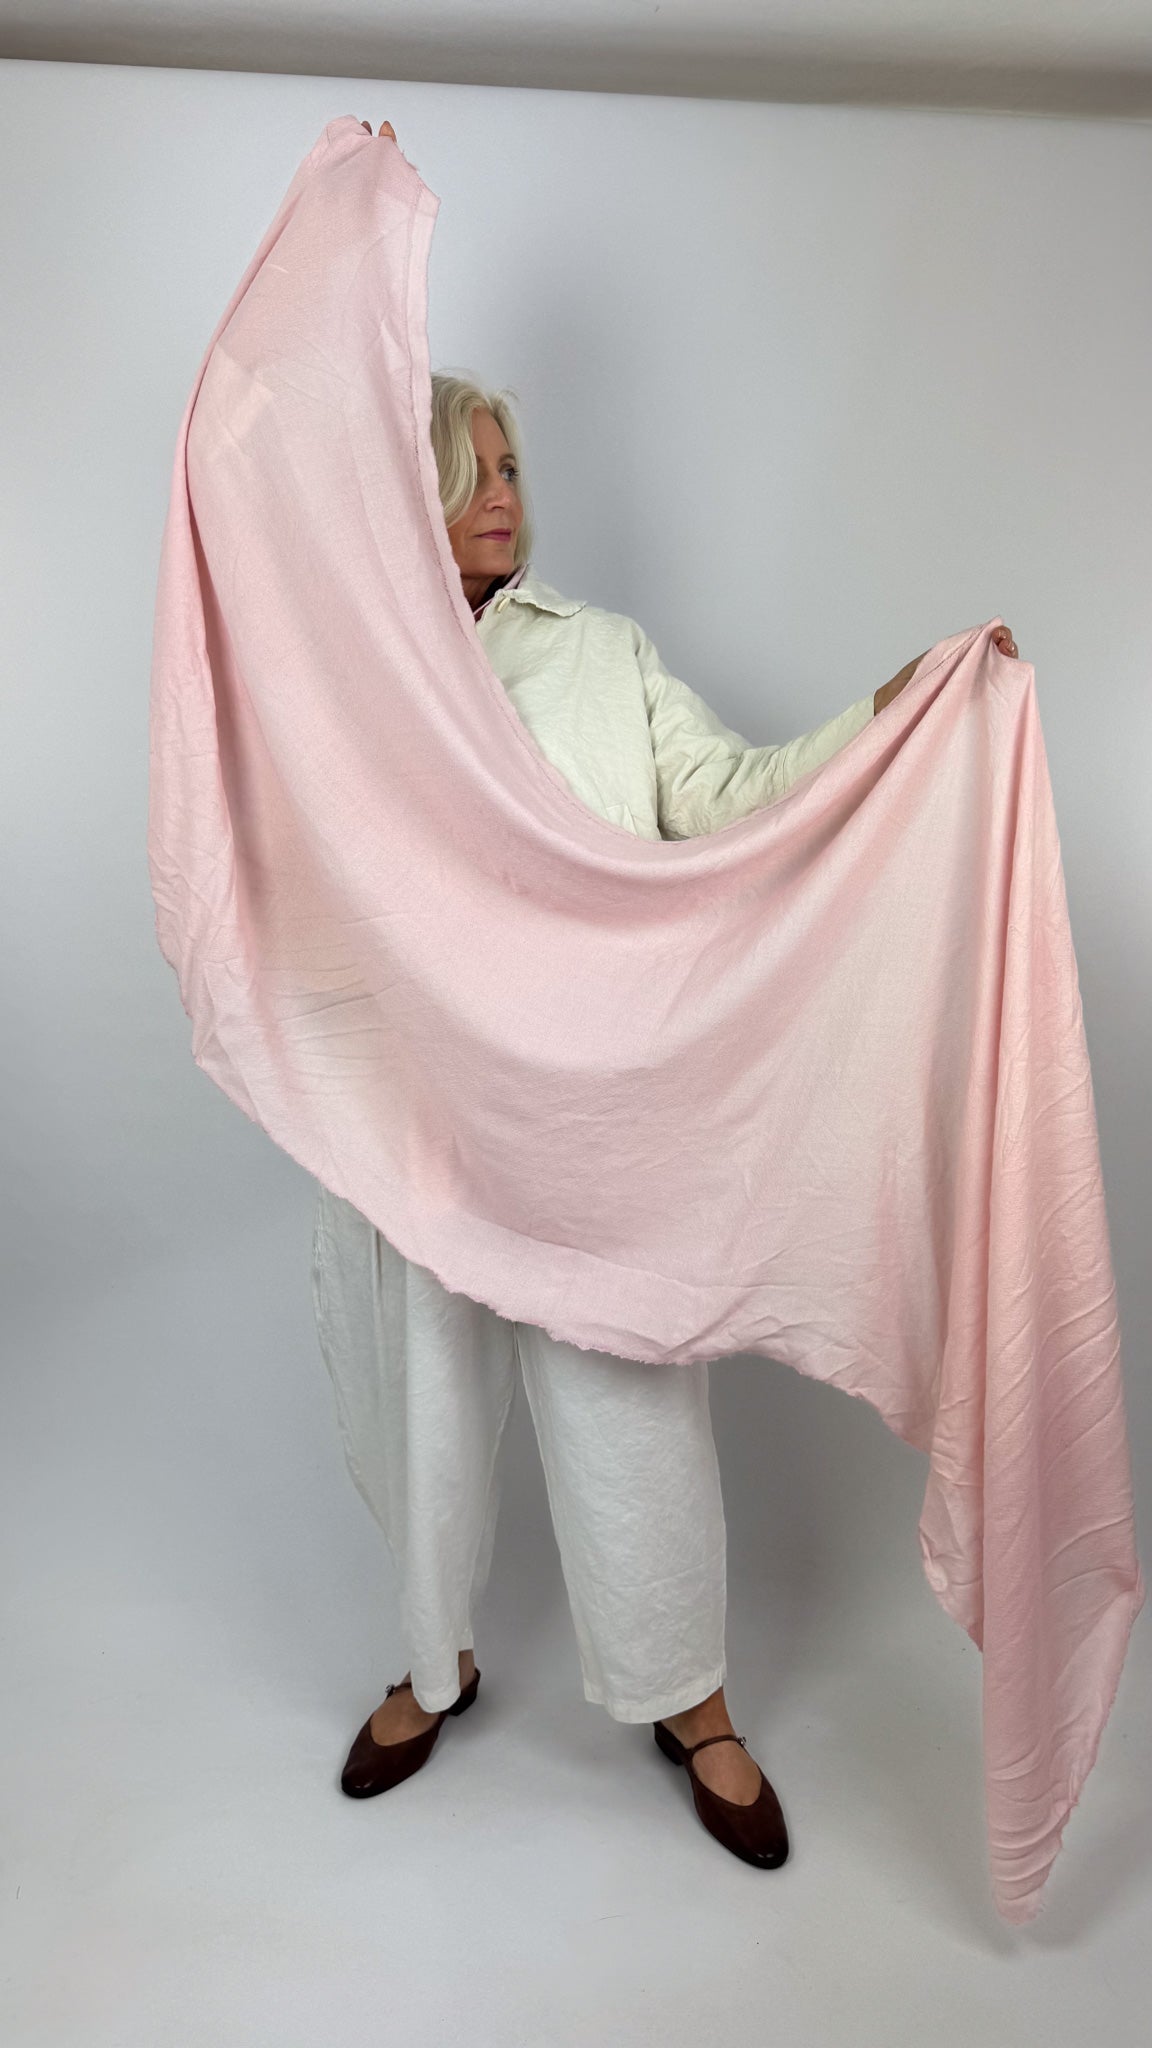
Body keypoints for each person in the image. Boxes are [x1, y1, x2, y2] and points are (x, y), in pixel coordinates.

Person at [311, 119, 1020, 1870]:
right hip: (420, 1118)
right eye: (469, 464)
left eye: (514, 465)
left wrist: (897, 711)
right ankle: (435, 1660)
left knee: (630, 1411)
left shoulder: (601, 656)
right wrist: (341, 266)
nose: (504, 491)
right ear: (407, 485)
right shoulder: (363, 688)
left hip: (598, 1117)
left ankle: (686, 1696)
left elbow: (727, 796)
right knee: (426, 1409)